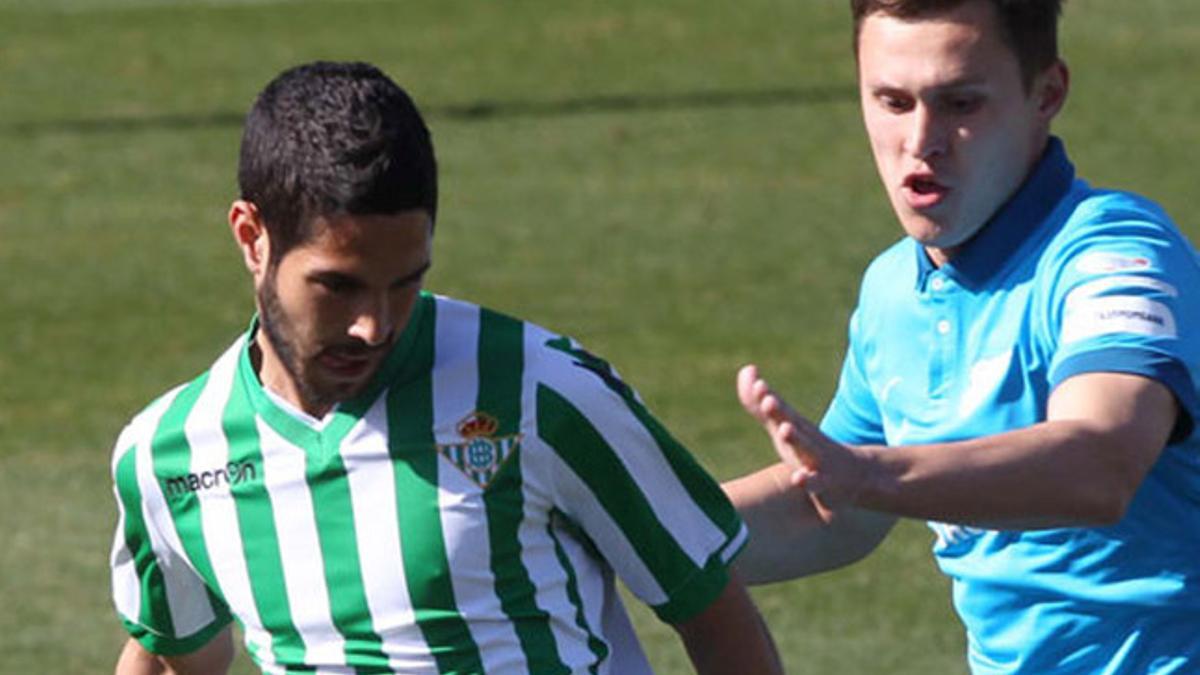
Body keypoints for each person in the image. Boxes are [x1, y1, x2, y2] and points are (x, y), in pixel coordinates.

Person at [109, 61, 781, 675]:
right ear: (252, 238)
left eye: (404, 281)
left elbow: (713, 611)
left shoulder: (540, 388)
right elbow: (173, 656)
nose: (374, 323)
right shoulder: (168, 455)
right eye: (338, 286)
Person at [724, 0, 1200, 672]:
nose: (921, 141)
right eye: (892, 101)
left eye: (961, 104)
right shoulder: (893, 290)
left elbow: (1099, 464)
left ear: (1047, 93)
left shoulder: (1113, 256)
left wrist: (866, 473)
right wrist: (626, 528)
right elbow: (828, 509)